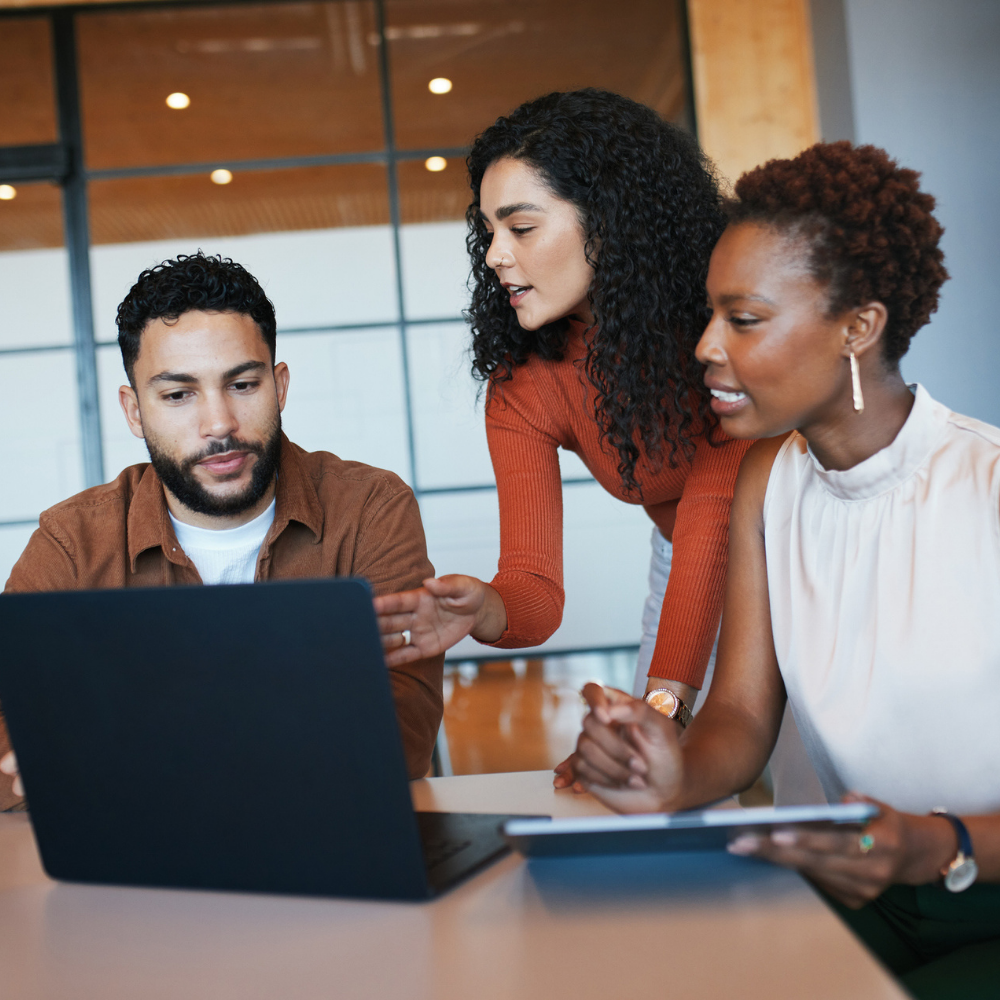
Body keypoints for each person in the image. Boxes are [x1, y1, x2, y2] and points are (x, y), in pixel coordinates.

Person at [568, 141, 1000, 998]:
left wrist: (932, 843)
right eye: (709, 315)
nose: (704, 346)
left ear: (858, 327)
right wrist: (672, 768)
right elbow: (738, 712)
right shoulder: (769, 482)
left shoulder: (987, 485)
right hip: (868, 888)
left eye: (744, 318)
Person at [375, 91, 753, 774]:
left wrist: (659, 707)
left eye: (520, 228)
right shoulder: (526, 382)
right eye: (487, 231)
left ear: (610, 223)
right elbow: (534, 591)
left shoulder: (717, 331)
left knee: (809, 789)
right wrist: (486, 608)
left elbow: (714, 511)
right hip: (685, 564)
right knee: (651, 793)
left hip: (796, 546)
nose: (493, 255)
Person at [0, 252, 443, 810]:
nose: (219, 424)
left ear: (279, 387)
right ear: (134, 411)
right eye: (178, 394)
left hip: (322, 840)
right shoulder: (73, 541)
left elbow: (401, 731)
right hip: (140, 863)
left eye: (241, 384)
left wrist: (126, 741)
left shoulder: (370, 507)